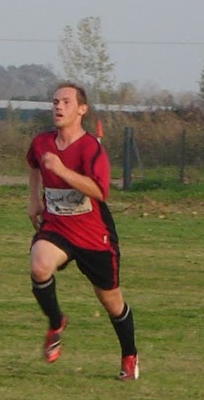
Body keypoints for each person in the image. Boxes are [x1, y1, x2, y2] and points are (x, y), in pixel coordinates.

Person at [27, 83, 140, 380]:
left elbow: (101, 191)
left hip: (94, 235)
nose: (58, 106)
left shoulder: (91, 148)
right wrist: (34, 200)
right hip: (57, 227)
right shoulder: (42, 142)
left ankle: (129, 356)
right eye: (55, 101)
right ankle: (56, 322)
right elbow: (35, 164)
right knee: (39, 266)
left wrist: (62, 170)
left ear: (82, 109)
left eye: (66, 102)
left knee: (111, 302)